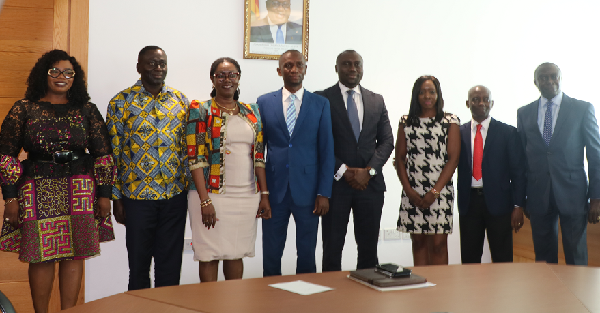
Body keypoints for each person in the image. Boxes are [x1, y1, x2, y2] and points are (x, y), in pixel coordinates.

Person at [0, 49, 115, 313]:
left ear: (75, 78)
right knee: (40, 254)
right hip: (36, 186)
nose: (61, 77)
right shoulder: (24, 109)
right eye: (55, 71)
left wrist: (105, 194)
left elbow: (103, 155)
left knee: (75, 253)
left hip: (80, 186)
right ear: (44, 74)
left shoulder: (87, 110)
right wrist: (10, 197)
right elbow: (6, 155)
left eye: (68, 72)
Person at [106, 46, 189, 290]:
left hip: (174, 195)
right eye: (152, 63)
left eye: (162, 63)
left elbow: (186, 150)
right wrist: (116, 198)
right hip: (137, 196)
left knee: (170, 267)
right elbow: (114, 153)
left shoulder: (180, 101)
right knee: (139, 267)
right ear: (139, 67)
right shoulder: (120, 102)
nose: (158, 68)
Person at [186, 57, 271, 282]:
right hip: (211, 194)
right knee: (209, 255)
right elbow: (195, 157)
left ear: (239, 78)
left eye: (232, 74)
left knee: (236, 253)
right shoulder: (201, 109)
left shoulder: (252, 112)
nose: (226, 80)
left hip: (246, 195)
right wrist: (205, 200)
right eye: (220, 75)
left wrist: (264, 194)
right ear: (212, 79)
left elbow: (259, 157)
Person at [257, 50, 334, 276]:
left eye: (299, 65)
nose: (294, 69)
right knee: (271, 253)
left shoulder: (320, 104)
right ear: (279, 70)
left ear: (305, 69)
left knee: (307, 254)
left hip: (309, 192)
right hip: (274, 191)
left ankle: (306, 303)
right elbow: (259, 151)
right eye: (288, 65)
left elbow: (327, 150)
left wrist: (324, 192)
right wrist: (262, 192)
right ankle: (270, 301)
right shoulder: (263, 102)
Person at [316, 50, 394, 271]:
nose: (352, 69)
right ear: (336, 68)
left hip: (370, 186)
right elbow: (317, 142)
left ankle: (366, 300)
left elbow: (387, 141)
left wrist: (368, 171)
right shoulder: (321, 99)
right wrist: (343, 170)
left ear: (362, 68)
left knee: (369, 250)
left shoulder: (376, 100)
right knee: (332, 249)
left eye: (357, 64)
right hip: (335, 186)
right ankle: (332, 302)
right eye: (346, 64)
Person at [517, 62, 600, 265]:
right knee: (543, 259)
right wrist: (521, 199)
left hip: (573, 194)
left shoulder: (582, 109)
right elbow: (521, 160)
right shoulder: (524, 113)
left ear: (560, 78)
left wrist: (596, 198)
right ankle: (548, 297)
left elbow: (595, 155)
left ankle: (577, 297)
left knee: (576, 257)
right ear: (535, 82)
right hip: (538, 196)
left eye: (554, 76)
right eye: (543, 77)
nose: (549, 81)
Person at [395, 75, 460, 266]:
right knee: (418, 242)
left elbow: (453, 159)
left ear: (438, 95)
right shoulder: (406, 121)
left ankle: (440, 291)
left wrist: (434, 192)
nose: (427, 96)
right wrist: (409, 192)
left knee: (439, 244)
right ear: (416, 95)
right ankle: (421, 289)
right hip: (412, 190)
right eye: (422, 92)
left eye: (432, 91)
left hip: (440, 192)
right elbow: (399, 158)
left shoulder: (450, 120)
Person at [457, 85, 526, 263]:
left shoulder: (508, 133)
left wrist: (518, 206)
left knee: (502, 259)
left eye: (485, 99)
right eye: (475, 99)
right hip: (469, 204)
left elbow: (518, 171)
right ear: (467, 103)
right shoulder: (458, 133)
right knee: (469, 259)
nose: (481, 103)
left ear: (492, 103)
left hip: (500, 206)